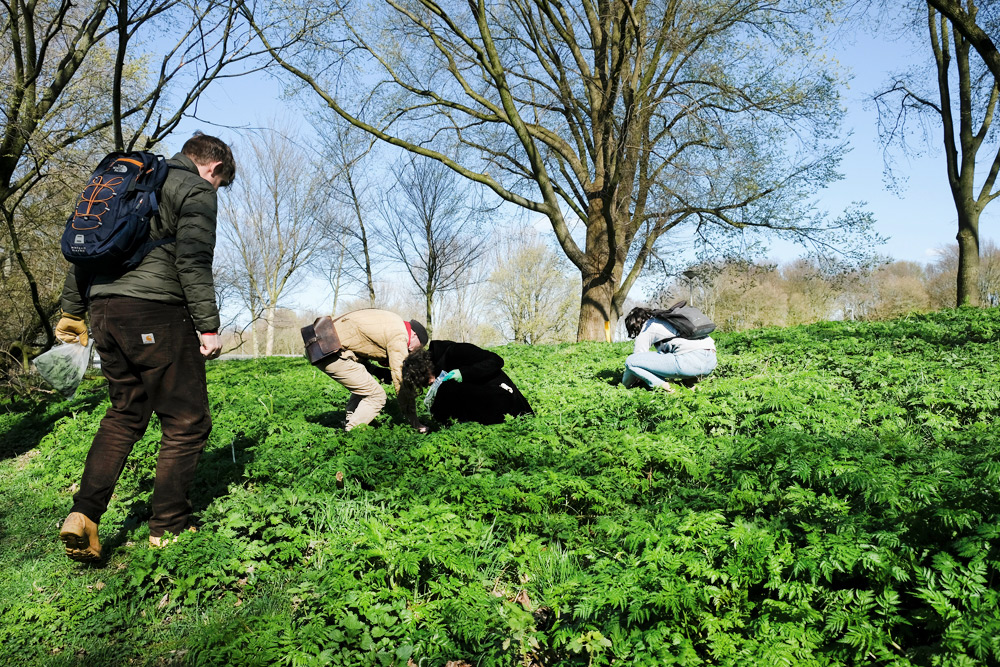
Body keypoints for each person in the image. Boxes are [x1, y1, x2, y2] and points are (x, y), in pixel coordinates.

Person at [55, 133, 236, 561]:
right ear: (214, 168)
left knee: (124, 414)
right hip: (155, 313)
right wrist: (208, 326)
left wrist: (72, 311)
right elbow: (192, 260)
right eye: (219, 182)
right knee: (187, 419)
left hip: (103, 311)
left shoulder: (129, 182)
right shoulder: (193, 188)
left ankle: (84, 514)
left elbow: (84, 251)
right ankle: (168, 525)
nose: (216, 190)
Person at [320, 309, 428, 432]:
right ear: (414, 335)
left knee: (366, 385)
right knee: (377, 395)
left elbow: (358, 346)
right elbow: (401, 379)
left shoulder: (393, 322)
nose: (411, 350)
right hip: (328, 351)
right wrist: (414, 421)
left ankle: (350, 421)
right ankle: (352, 432)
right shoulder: (400, 335)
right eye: (417, 347)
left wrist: (376, 370)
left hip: (321, 345)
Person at [402, 340, 533, 425]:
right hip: (482, 398)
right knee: (440, 399)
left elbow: (496, 360)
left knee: (447, 388)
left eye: (426, 380)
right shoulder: (438, 370)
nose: (429, 384)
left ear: (426, 367)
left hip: (503, 395)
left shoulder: (456, 351)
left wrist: (463, 373)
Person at [621, 306, 717, 392]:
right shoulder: (668, 321)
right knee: (669, 358)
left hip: (689, 362)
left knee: (630, 361)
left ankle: (667, 387)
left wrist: (625, 385)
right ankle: (691, 386)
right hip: (711, 362)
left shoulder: (648, 325)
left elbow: (637, 357)